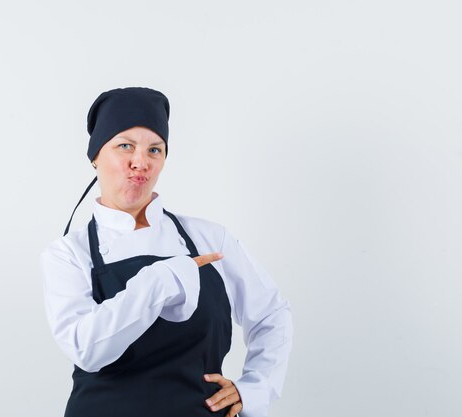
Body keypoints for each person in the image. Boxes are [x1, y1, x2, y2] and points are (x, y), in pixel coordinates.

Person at [40, 87, 293, 417]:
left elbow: (272, 314)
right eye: (125, 146)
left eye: (155, 150)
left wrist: (254, 389)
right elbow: (87, 348)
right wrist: (164, 278)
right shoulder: (69, 254)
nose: (140, 162)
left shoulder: (209, 239)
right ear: (95, 156)